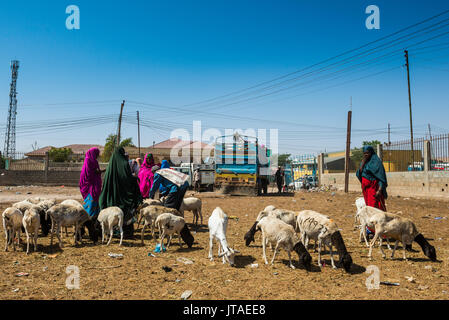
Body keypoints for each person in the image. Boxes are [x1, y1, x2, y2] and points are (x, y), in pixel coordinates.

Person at [99, 147, 143, 239]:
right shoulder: (124, 164)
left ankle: (111, 232)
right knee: (124, 213)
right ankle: (125, 233)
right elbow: (127, 179)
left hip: (111, 196)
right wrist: (134, 179)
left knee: (113, 213)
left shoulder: (110, 166)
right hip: (123, 196)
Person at [149, 165, 194, 246]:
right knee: (175, 212)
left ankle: (181, 237)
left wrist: (149, 196)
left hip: (177, 189)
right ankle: (188, 238)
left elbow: (155, 186)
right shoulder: (166, 170)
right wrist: (165, 193)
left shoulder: (158, 173)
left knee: (167, 211)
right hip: (183, 186)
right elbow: (170, 183)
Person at [356, 145, 388, 211]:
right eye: (364, 153)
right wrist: (363, 162)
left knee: (374, 206)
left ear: (371, 152)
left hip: (373, 188)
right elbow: (359, 172)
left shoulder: (376, 162)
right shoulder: (364, 162)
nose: (366, 154)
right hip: (365, 188)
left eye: (367, 153)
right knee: (368, 205)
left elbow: (381, 177)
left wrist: (379, 190)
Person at [79, 147, 104, 218]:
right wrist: (104, 170)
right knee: (92, 197)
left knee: (96, 197)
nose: (97, 156)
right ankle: (88, 216)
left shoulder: (93, 160)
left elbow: (95, 171)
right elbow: (91, 172)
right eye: (96, 154)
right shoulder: (89, 160)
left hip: (93, 183)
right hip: (89, 184)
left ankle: (95, 215)